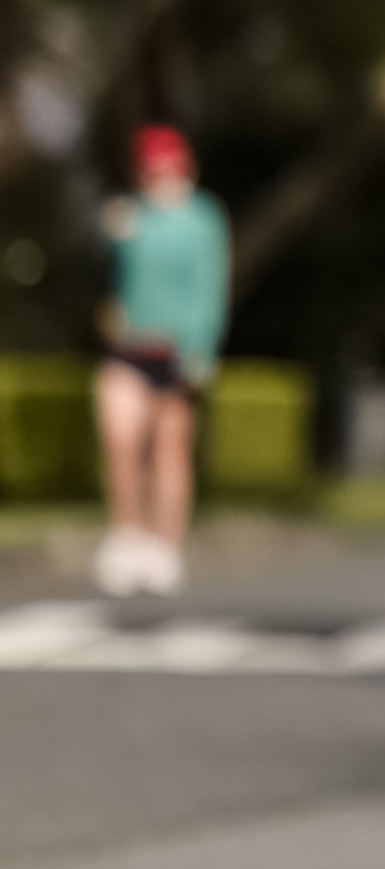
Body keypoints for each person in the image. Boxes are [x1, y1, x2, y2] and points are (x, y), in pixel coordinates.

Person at [93, 125, 228, 599]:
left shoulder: (203, 219)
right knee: (121, 438)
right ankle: (126, 535)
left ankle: (164, 547)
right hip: (130, 346)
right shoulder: (132, 217)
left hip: (177, 349)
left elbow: (209, 287)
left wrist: (200, 349)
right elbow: (114, 272)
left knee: (169, 451)